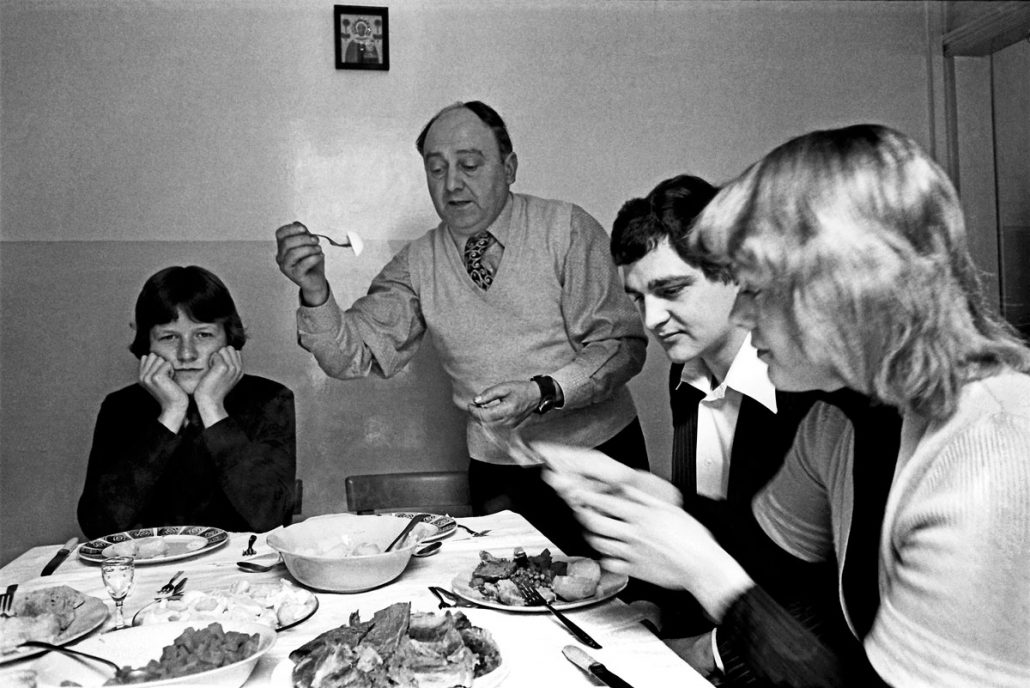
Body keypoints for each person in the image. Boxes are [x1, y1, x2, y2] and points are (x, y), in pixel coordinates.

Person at [539, 125, 1030, 686]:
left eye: (756, 288)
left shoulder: (992, 449)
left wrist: (704, 571)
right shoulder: (837, 421)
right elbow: (765, 550)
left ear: (844, 284)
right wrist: (656, 503)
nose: (743, 317)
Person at [274, 101, 649, 555]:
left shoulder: (567, 230)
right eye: (436, 170)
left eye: (470, 165)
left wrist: (543, 391)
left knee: (620, 606)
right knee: (505, 603)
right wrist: (315, 289)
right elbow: (352, 356)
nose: (452, 184)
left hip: (600, 458)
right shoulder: (418, 263)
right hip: (498, 471)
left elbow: (621, 344)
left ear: (509, 167)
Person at [610, 175, 828, 638]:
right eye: (637, 298)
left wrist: (709, 654)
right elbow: (701, 527)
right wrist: (653, 612)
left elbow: (809, 579)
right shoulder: (684, 373)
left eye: (671, 290)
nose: (650, 320)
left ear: (731, 270)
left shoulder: (808, 389)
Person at [78, 266, 296, 538]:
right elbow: (100, 526)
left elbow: (269, 517)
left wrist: (211, 406)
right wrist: (171, 412)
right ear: (148, 343)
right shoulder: (120, 407)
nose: (187, 353)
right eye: (169, 337)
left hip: (242, 568)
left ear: (228, 338)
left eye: (203, 335)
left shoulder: (270, 399)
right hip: (152, 571)